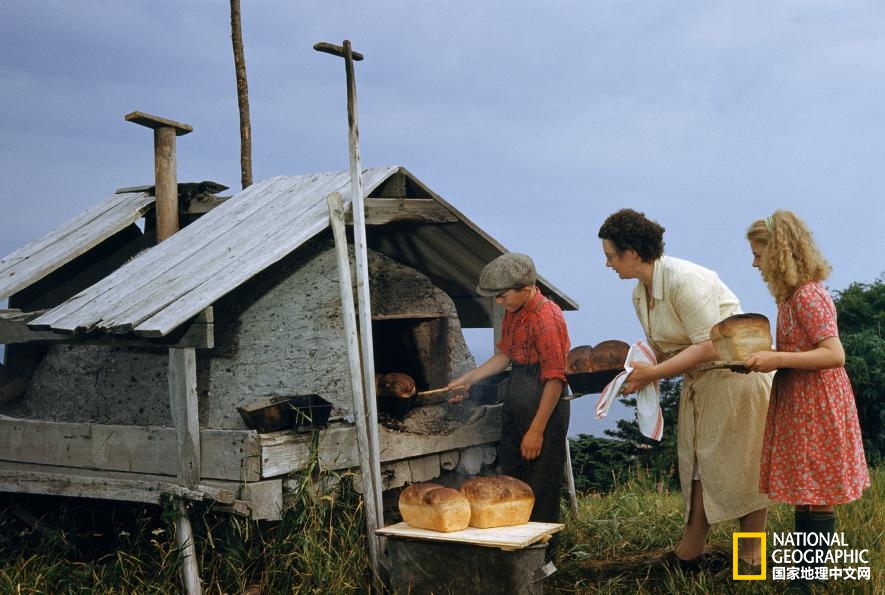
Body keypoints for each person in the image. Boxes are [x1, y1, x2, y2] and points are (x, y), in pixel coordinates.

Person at [597, 208, 772, 572]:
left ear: (633, 252)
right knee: (697, 468)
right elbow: (666, 348)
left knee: (745, 471)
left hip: (737, 380)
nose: (609, 264)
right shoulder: (639, 295)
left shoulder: (683, 280)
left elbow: (710, 344)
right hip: (702, 386)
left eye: (611, 256)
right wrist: (632, 375)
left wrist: (655, 372)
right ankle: (690, 552)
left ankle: (751, 560)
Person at [745, 211, 869, 590]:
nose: (754, 262)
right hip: (800, 400)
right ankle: (803, 576)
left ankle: (807, 581)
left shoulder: (809, 295)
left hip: (818, 401)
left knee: (819, 491)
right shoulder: (789, 298)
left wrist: (777, 359)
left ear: (778, 251)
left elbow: (834, 354)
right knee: (806, 489)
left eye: (757, 253)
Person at [448, 252, 571, 526]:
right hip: (517, 397)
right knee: (510, 477)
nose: (498, 301)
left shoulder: (547, 319)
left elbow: (555, 379)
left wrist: (536, 431)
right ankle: (512, 542)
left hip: (544, 405)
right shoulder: (514, 312)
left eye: (502, 295)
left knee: (540, 484)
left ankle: (542, 555)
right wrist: (470, 378)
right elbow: (506, 354)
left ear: (526, 290)